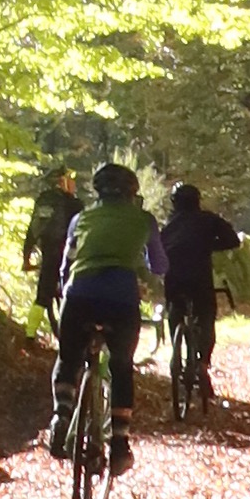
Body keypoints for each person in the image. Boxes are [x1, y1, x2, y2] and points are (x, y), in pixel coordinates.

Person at [46, 160, 152, 472]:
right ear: (132, 193)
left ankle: (61, 415)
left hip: (79, 296)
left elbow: (67, 263)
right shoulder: (143, 220)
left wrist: (65, 287)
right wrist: (150, 278)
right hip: (121, 300)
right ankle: (119, 444)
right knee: (121, 366)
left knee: (68, 358)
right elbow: (159, 263)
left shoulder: (81, 217)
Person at [157, 181, 240, 386]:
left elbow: (157, 248)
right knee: (206, 318)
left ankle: (176, 353)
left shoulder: (169, 225)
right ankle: (203, 363)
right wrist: (208, 246)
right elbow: (233, 241)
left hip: (174, 278)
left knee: (175, 311)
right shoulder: (209, 220)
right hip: (200, 279)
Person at [22, 164, 81, 325]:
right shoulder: (74, 204)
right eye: (71, 180)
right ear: (63, 182)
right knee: (77, 296)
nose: (74, 184)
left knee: (42, 296)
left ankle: (30, 335)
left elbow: (32, 230)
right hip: (70, 257)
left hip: (48, 254)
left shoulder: (43, 200)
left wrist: (26, 258)